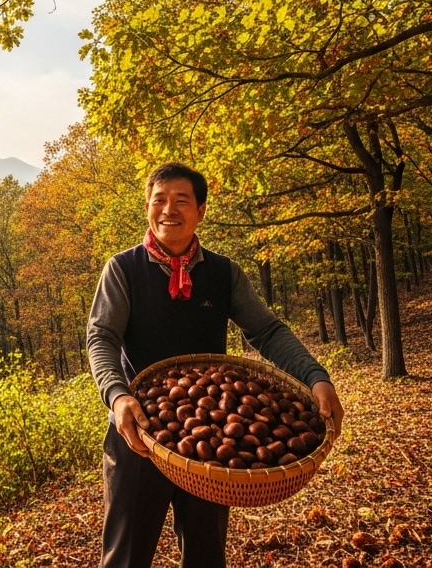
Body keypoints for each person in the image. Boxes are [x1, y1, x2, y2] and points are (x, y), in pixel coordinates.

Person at [86, 162, 345, 568]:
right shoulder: (123, 269)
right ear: (147, 208)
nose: (168, 210)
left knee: (206, 556)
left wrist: (316, 377)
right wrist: (117, 397)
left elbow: (268, 331)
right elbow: (101, 337)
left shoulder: (223, 273)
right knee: (126, 557)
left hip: (212, 452)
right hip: (137, 431)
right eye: (159, 200)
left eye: (181, 200)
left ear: (201, 210)